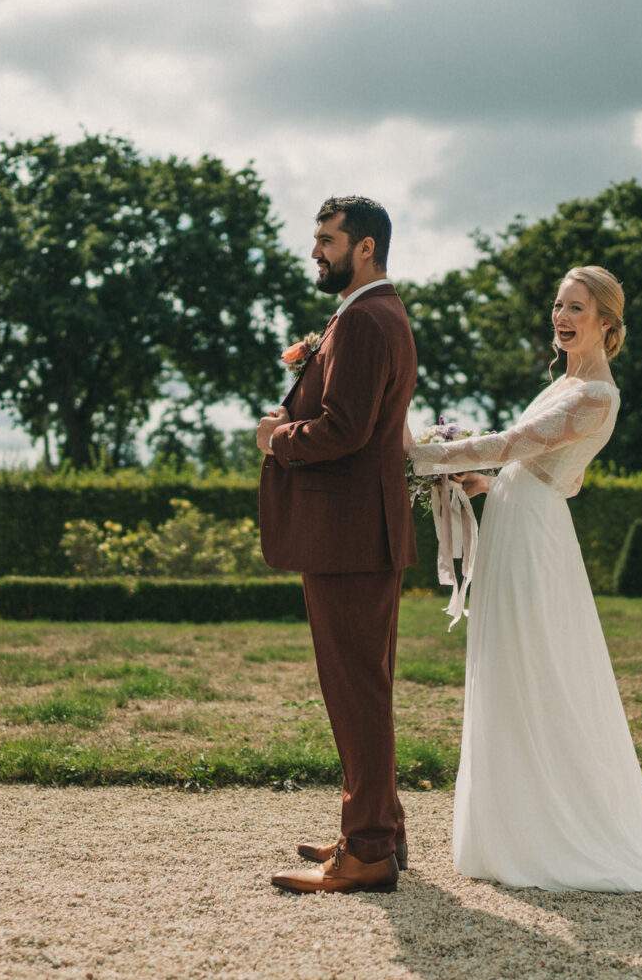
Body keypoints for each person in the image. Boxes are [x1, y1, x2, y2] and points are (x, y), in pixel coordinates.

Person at [406, 266, 642, 895]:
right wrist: (487, 483)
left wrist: (420, 454)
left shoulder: (597, 394)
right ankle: (508, 829)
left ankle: (549, 832)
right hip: (516, 520)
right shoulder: (565, 383)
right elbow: (551, 473)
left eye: (576, 307)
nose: (561, 317)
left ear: (607, 321)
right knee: (508, 665)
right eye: (557, 306)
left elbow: (517, 443)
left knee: (534, 667)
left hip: (534, 538)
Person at [256, 196, 419, 894]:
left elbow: (345, 428)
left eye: (326, 241)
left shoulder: (366, 319)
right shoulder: (375, 314)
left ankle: (369, 849)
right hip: (360, 534)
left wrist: (275, 437)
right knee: (363, 689)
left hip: (348, 536)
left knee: (355, 692)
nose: (315, 252)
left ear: (365, 247)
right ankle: (378, 830)